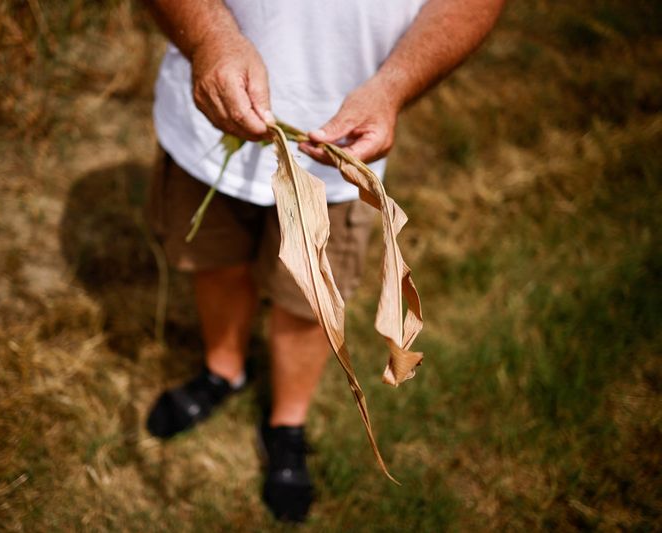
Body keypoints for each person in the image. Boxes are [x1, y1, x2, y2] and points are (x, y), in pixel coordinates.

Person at [142, 0, 504, 522]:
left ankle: (286, 426)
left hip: (335, 159)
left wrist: (393, 86)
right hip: (204, 125)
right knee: (215, 261)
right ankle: (223, 373)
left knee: (309, 302)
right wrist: (207, 38)